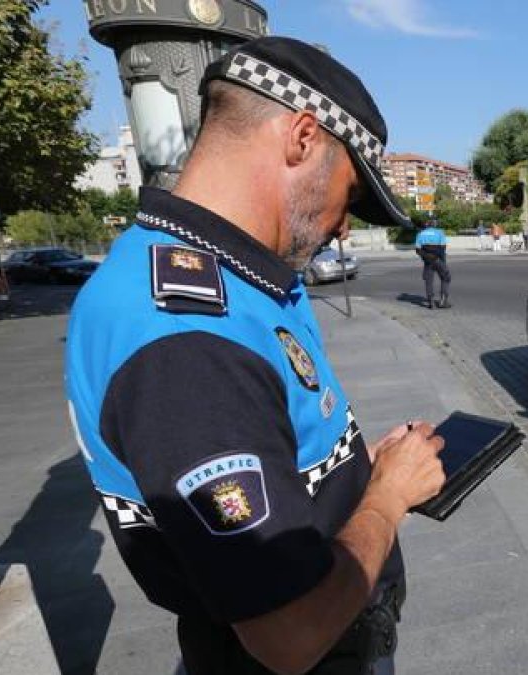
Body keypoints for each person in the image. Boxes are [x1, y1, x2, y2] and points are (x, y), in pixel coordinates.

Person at [63, 37, 447, 675]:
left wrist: (355, 467)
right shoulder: (187, 345)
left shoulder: (233, 274)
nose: (345, 226)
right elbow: (288, 636)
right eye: (349, 195)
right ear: (301, 138)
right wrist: (386, 497)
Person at [415, 218, 451, 308]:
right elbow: (443, 248)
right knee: (446, 277)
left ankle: (430, 301)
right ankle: (443, 301)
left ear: (428, 224)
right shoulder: (440, 232)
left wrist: (426, 258)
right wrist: (443, 261)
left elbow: (418, 250)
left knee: (429, 280)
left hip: (428, 261)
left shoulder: (420, 234)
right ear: (435, 224)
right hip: (438, 259)